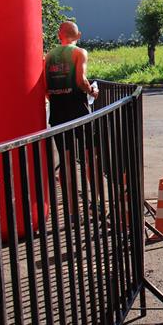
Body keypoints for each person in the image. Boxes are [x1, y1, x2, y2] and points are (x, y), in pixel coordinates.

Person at [45, 21, 100, 220]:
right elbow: (81, 80)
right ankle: (97, 203)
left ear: (59, 35)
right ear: (78, 35)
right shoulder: (79, 52)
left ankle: (72, 210)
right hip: (79, 110)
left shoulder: (49, 56)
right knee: (90, 157)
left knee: (66, 161)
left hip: (58, 113)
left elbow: (45, 88)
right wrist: (92, 91)